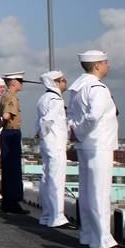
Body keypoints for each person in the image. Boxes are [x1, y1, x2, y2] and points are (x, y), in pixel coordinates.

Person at [68, 50, 125, 248]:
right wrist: (82, 132)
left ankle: (88, 235)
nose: (108, 66)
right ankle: (103, 239)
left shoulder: (77, 87)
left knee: (86, 191)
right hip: (98, 145)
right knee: (100, 193)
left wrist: (75, 133)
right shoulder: (97, 88)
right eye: (106, 62)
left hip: (85, 145)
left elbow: (71, 116)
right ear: (98, 65)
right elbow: (93, 117)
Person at [36, 70, 75, 230]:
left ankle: (46, 215)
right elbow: (47, 120)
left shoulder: (43, 98)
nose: (65, 82)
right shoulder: (56, 100)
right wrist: (45, 135)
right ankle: (57, 217)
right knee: (56, 180)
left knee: (47, 179)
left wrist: (40, 136)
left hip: (48, 144)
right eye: (63, 80)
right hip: (55, 144)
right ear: (56, 82)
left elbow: (39, 122)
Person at [0, 72, 28, 213]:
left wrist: (0, 123)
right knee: (13, 169)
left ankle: (7, 201)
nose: (22, 83)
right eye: (21, 81)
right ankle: (12, 202)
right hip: (12, 133)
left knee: (7, 169)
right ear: (14, 83)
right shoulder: (11, 97)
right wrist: (4, 122)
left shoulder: (3, 96)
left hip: (6, 133)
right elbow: (6, 115)